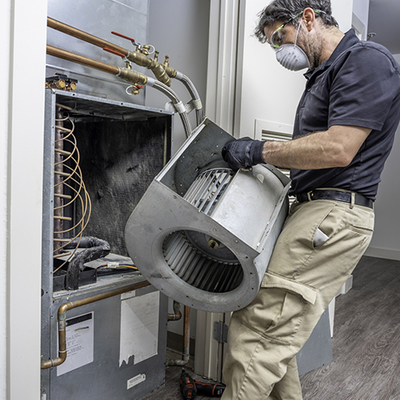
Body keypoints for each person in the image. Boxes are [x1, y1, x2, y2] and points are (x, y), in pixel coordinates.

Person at [220, 1, 400, 399]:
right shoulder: (324, 73)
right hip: (316, 210)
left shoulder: (365, 60)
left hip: (333, 214)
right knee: (275, 335)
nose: (279, 50)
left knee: (255, 335)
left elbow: (338, 149)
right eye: (271, 44)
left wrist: (258, 151)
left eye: (279, 37)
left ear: (306, 17)